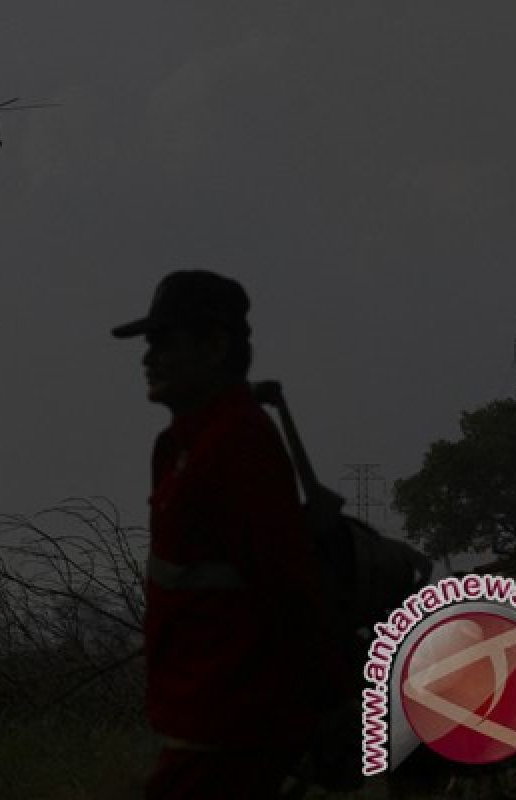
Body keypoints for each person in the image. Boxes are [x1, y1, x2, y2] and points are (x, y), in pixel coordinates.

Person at [112, 270, 344, 799]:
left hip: (232, 735)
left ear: (216, 346)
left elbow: (287, 589)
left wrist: (320, 705)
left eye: (165, 344)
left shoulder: (239, 447)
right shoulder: (178, 448)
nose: (148, 360)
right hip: (199, 728)